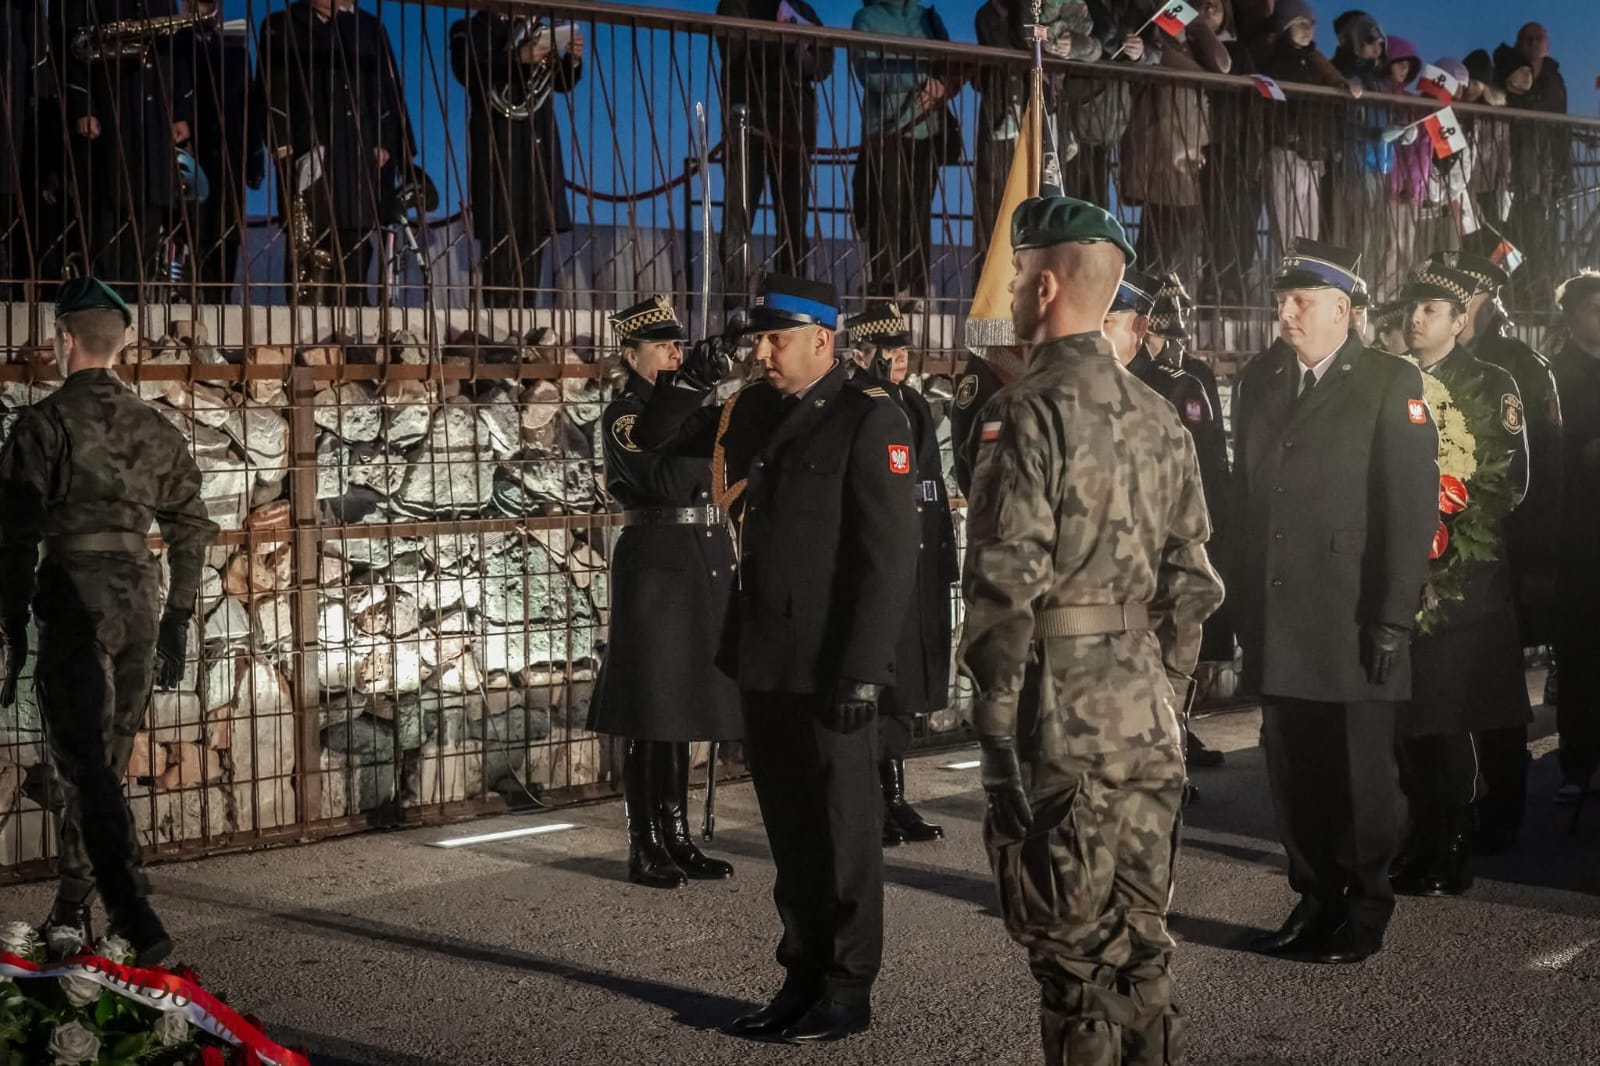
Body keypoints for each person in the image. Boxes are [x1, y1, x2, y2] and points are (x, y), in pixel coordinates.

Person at [962, 195, 1222, 1065]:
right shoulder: (1158, 414)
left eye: (1018, 274)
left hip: (1060, 718)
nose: (1011, 289)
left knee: (1074, 964)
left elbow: (1005, 585)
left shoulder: (1026, 411)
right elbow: (1192, 582)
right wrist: (1167, 694)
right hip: (1146, 715)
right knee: (1142, 948)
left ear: (1045, 288)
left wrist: (994, 729)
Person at [634, 274, 918, 1043]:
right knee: (791, 831)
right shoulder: (753, 407)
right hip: (765, 652)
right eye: (759, 338)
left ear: (822, 339)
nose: (762, 352)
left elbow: (888, 558)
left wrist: (865, 669)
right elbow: (655, 438)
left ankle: (847, 989)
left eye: (776, 338)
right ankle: (801, 975)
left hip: (833, 662)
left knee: (843, 833)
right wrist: (689, 380)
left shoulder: (869, 416)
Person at [1230, 238, 1439, 964]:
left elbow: (1409, 510)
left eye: (1301, 301)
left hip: (1351, 615)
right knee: (1295, 773)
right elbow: (1244, 500)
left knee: (1360, 777)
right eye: (1281, 301)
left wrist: (1392, 618)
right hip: (1279, 612)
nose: (1285, 313)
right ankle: (1315, 898)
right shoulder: (1261, 379)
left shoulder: (1387, 380)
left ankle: (1364, 910)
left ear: (1343, 311)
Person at [0, 278, 218, 964]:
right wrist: (178, 616)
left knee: (82, 763)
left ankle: (91, 912)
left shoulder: (42, 424)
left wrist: (12, 626)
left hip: (73, 596)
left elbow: (12, 537)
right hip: (137, 602)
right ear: (120, 345)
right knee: (108, 762)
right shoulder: (154, 427)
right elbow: (191, 526)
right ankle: (85, 910)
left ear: (65, 340)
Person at [588, 296, 742, 889]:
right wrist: (690, 397)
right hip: (656, 564)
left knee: (681, 706)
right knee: (651, 708)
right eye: (662, 346)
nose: (675, 354)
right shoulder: (625, 416)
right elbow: (659, 477)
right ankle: (644, 841)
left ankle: (677, 834)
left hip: (701, 557)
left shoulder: (687, 410)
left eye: (679, 345)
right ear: (631, 355)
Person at [1391, 263, 1528, 897]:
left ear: (1458, 320)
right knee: (1406, 717)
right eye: (1411, 309)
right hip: (1399, 572)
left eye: (1430, 311)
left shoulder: (1490, 383)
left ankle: (1450, 844)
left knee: (1444, 714)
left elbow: (1508, 482)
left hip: (1460, 579)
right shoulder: (1391, 377)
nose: (1415, 320)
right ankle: (1421, 834)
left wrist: (1443, 531)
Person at [1105, 269, 1230, 771]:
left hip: (1168, 546)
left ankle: (1172, 747)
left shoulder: (1175, 388)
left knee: (1171, 653)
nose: (1171, 347)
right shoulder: (1108, 386)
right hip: (1123, 558)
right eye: (1163, 337)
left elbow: (1209, 467)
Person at [845, 302, 957, 846]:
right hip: (884, 562)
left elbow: (929, 485)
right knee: (876, 686)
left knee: (906, 687)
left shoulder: (912, 402)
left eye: (903, 349)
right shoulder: (856, 405)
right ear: (861, 353)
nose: (899, 358)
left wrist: (943, 561)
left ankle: (894, 796)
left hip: (919, 558)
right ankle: (870, 800)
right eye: (886, 350)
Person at [258, 0, 410, 305]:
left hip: (359, 148)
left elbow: (387, 87)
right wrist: (280, 139)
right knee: (307, 234)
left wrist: (386, 141)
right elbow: (270, 85)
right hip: (308, 145)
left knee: (357, 234)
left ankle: (354, 309)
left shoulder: (369, 26)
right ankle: (306, 313)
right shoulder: (282, 24)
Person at [56, 0, 195, 296]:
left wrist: (180, 111)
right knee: (108, 213)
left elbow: (177, 53)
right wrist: (83, 106)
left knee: (149, 218)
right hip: (111, 111)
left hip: (155, 118)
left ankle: (136, 301)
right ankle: (105, 301)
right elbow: (72, 48)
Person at [449, 12, 581, 308]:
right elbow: (467, 71)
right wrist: (517, 57)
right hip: (498, 142)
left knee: (534, 231)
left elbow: (559, 82)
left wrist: (572, 60)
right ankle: (497, 316)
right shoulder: (470, 27)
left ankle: (526, 312)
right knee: (499, 229)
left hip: (537, 142)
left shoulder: (539, 28)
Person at [715, 0, 832, 306]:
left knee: (793, 223)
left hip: (794, 128)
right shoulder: (737, 4)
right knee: (738, 218)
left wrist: (802, 50)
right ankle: (734, 301)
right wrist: (783, 40)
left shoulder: (801, 9)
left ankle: (789, 302)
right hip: (748, 125)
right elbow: (732, 50)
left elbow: (824, 65)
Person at [850, 0, 958, 304]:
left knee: (919, 213)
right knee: (886, 213)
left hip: (926, 131)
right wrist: (922, 78)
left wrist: (942, 84)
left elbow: (950, 63)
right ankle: (887, 292)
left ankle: (917, 290)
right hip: (886, 133)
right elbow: (869, 74)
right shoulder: (866, 18)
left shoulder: (927, 17)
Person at [1548, 272, 1600, 805]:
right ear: (1572, 315)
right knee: (1580, 654)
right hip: (1579, 535)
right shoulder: (1556, 374)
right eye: (1594, 308)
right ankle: (1577, 762)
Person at [1253, 2, 1349, 265]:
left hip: (1312, 154)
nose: (1308, 30)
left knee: (1309, 234)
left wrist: (1324, 145)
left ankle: (1304, 283)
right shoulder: (1274, 61)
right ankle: (1285, 286)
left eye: (1312, 24)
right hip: (1287, 151)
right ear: (1285, 26)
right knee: (1287, 233)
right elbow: (1271, 106)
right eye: (1301, 23)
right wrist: (1291, 136)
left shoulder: (1315, 64)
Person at [180, 0, 264, 297]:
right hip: (193, 150)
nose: (207, 10)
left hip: (230, 154)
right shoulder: (178, 42)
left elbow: (249, 104)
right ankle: (191, 296)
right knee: (193, 231)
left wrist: (254, 161)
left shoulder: (234, 47)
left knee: (227, 233)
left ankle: (221, 298)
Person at [1494, 28, 1569, 304]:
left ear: (1548, 45)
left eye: (1539, 38)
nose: (1534, 43)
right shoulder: (1504, 69)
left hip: (1544, 172)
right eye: (1528, 38)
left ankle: (1537, 297)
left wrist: (1562, 171)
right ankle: (1510, 296)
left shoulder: (1554, 79)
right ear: (1518, 43)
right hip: (1512, 168)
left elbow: (1561, 125)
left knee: (1539, 237)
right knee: (1509, 235)